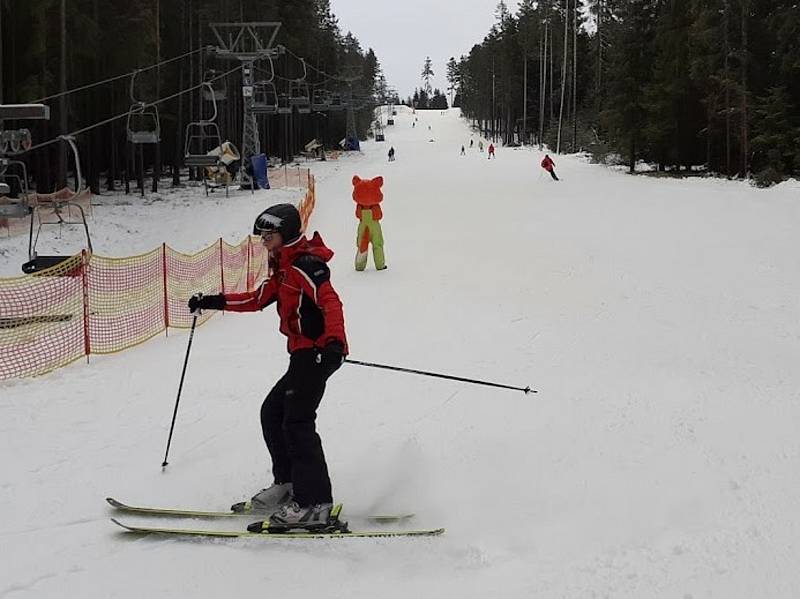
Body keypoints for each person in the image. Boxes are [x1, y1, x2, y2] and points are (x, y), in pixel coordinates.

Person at [188, 203, 348, 528]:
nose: (263, 240)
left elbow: (330, 301)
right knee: (273, 413)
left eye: (268, 235)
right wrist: (213, 301)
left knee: (297, 423)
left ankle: (314, 504)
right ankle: (289, 485)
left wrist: (335, 343)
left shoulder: (306, 265)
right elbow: (256, 299)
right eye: (261, 234)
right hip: (301, 354)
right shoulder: (284, 269)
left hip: (316, 353)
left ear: (285, 234)